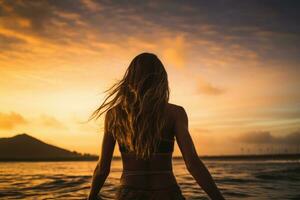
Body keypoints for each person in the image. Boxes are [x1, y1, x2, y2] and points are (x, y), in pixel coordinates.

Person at [88, 52, 225, 200]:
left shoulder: (115, 114)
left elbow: (102, 169)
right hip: (167, 193)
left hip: (129, 194)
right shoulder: (175, 113)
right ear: (161, 79)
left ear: (131, 79)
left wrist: (91, 197)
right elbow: (193, 164)